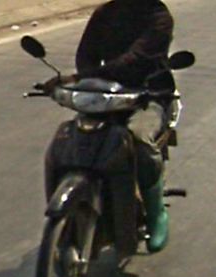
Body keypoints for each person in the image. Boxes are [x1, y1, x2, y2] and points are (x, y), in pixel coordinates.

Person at [47, 0, 174, 253]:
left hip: (148, 94)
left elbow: (135, 60)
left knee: (139, 139)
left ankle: (156, 212)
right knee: (70, 135)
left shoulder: (158, 16)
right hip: (107, 94)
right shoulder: (105, 13)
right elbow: (86, 54)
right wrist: (85, 77)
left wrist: (81, 77)